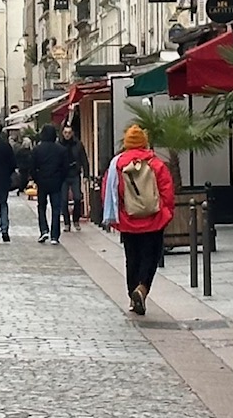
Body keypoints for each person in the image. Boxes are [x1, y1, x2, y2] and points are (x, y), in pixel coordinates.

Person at [103, 125, 175, 316]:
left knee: (132, 258)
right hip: (154, 220)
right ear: (144, 142)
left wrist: (117, 216)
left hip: (129, 220)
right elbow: (166, 191)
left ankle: (132, 295)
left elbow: (109, 192)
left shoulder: (117, 164)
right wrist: (166, 213)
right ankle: (142, 289)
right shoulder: (156, 164)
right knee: (151, 257)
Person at [31, 124, 71, 245]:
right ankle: (55, 235)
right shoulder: (61, 150)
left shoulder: (37, 149)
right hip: (56, 182)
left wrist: (36, 179)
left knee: (41, 207)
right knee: (56, 209)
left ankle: (44, 229)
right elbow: (65, 168)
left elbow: (32, 167)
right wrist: (60, 179)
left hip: (42, 182)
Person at [59, 125, 91, 233]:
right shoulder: (59, 145)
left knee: (77, 198)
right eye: (65, 133)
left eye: (69, 132)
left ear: (72, 133)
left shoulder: (78, 145)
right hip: (63, 176)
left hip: (75, 174)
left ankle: (76, 220)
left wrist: (86, 175)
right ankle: (67, 223)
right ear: (63, 134)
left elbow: (84, 159)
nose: (67, 135)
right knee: (63, 200)